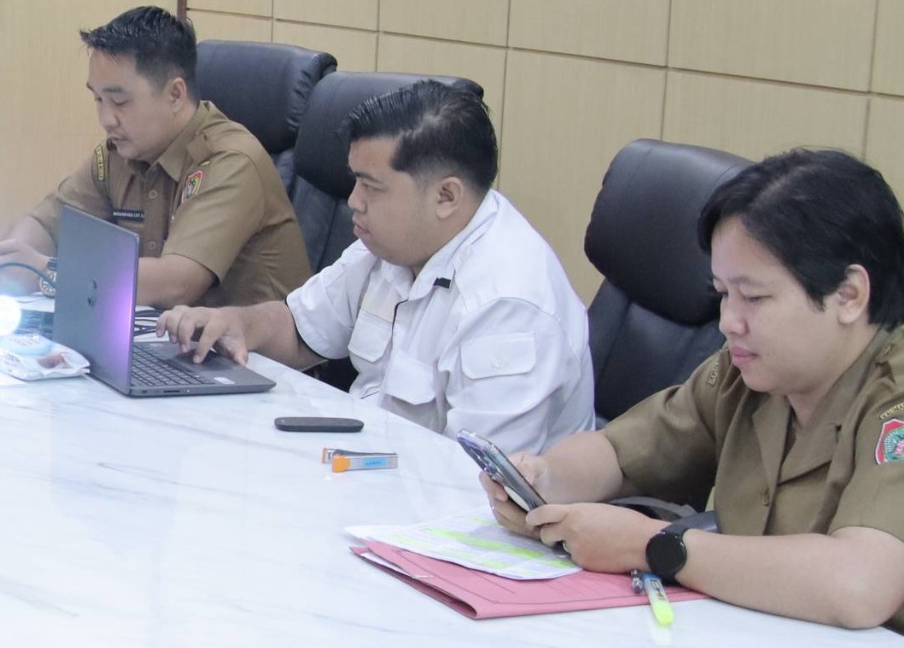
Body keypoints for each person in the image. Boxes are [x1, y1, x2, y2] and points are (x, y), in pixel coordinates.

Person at [482, 148, 904, 648]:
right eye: (722, 294)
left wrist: (653, 546)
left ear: (848, 295)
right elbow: (620, 454)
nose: (729, 321)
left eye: (753, 298)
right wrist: (544, 482)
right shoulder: (748, 373)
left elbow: (858, 585)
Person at [159, 80, 592, 453]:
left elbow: (477, 483)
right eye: (354, 181)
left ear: (446, 197)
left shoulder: (508, 304)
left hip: (454, 509)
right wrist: (237, 324)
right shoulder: (394, 246)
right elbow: (301, 327)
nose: (353, 201)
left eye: (371, 187)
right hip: (373, 469)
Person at [0, 5, 309, 310]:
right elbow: (48, 226)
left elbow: (177, 283)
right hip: (167, 344)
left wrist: (46, 271)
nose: (106, 119)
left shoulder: (230, 161)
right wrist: (7, 256)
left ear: (175, 95)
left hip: (258, 358)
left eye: (120, 101)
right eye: (98, 99)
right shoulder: (119, 153)